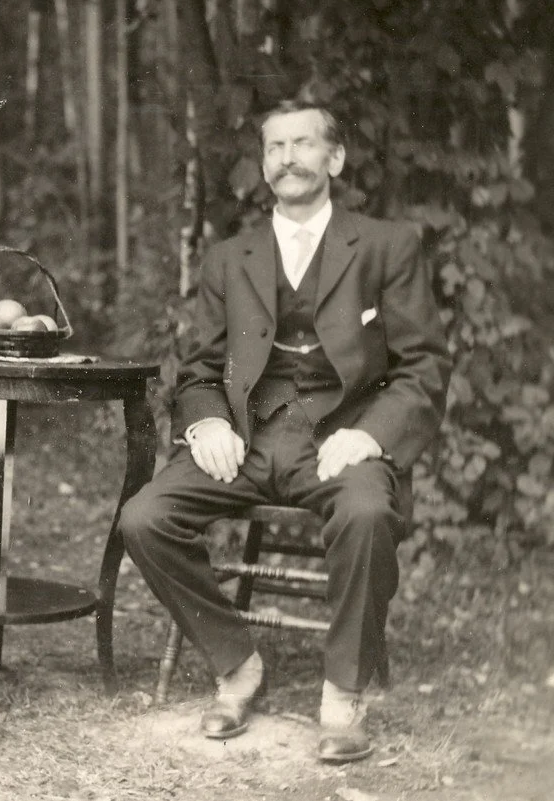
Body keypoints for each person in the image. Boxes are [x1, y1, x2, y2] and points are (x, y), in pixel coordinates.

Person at [119, 101, 449, 763]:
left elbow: (425, 365)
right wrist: (208, 418)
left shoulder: (387, 244)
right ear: (264, 163)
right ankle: (237, 664)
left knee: (366, 509)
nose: (288, 157)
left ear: (335, 159)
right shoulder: (229, 256)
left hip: (342, 435)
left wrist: (374, 434)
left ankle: (342, 692)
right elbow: (202, 368)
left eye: (303, 144)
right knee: (143, 517)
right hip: (250, 435)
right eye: (275, 146)